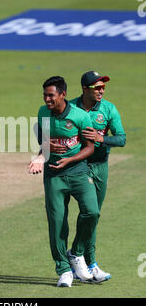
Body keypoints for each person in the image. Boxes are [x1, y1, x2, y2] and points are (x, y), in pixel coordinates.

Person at [28, 76, 100, 288]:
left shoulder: (80, 116)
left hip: (78, 172)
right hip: (53, 175)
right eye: (45, 95)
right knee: (57, 222)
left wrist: (70, 159)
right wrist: (42, 154)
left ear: (63, 94)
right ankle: (63, 270)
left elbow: (90, 147)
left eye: (51, 95)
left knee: (92, 212)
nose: (47, 99)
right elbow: (42, 138)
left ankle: (76, 253)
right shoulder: (43, 113)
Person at [69, 71, 126, 282]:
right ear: (85, 89)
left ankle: (83, 259)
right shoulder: (70, 108)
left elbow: (121, 139)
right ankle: (83, 260)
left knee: (93, 216)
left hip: (100, 166)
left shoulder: (109, 108)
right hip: (78, 167)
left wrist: (100, 138)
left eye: (103, 87)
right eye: (97, 87)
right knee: (90, 212)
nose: (101, 90)